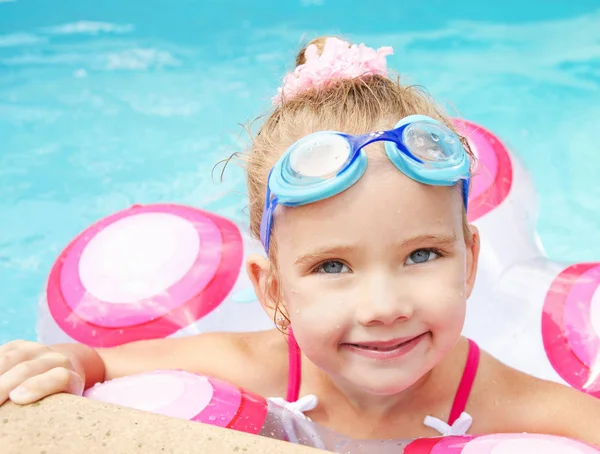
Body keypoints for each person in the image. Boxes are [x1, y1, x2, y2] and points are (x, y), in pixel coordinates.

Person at [1, 36, 600, 445]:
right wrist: (61, 365)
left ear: (469, 260)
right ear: (272, 288)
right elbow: (98, 361)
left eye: (423, 254)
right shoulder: (256, 366)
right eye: (333, 266)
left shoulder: (512, 402)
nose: (384, 306)